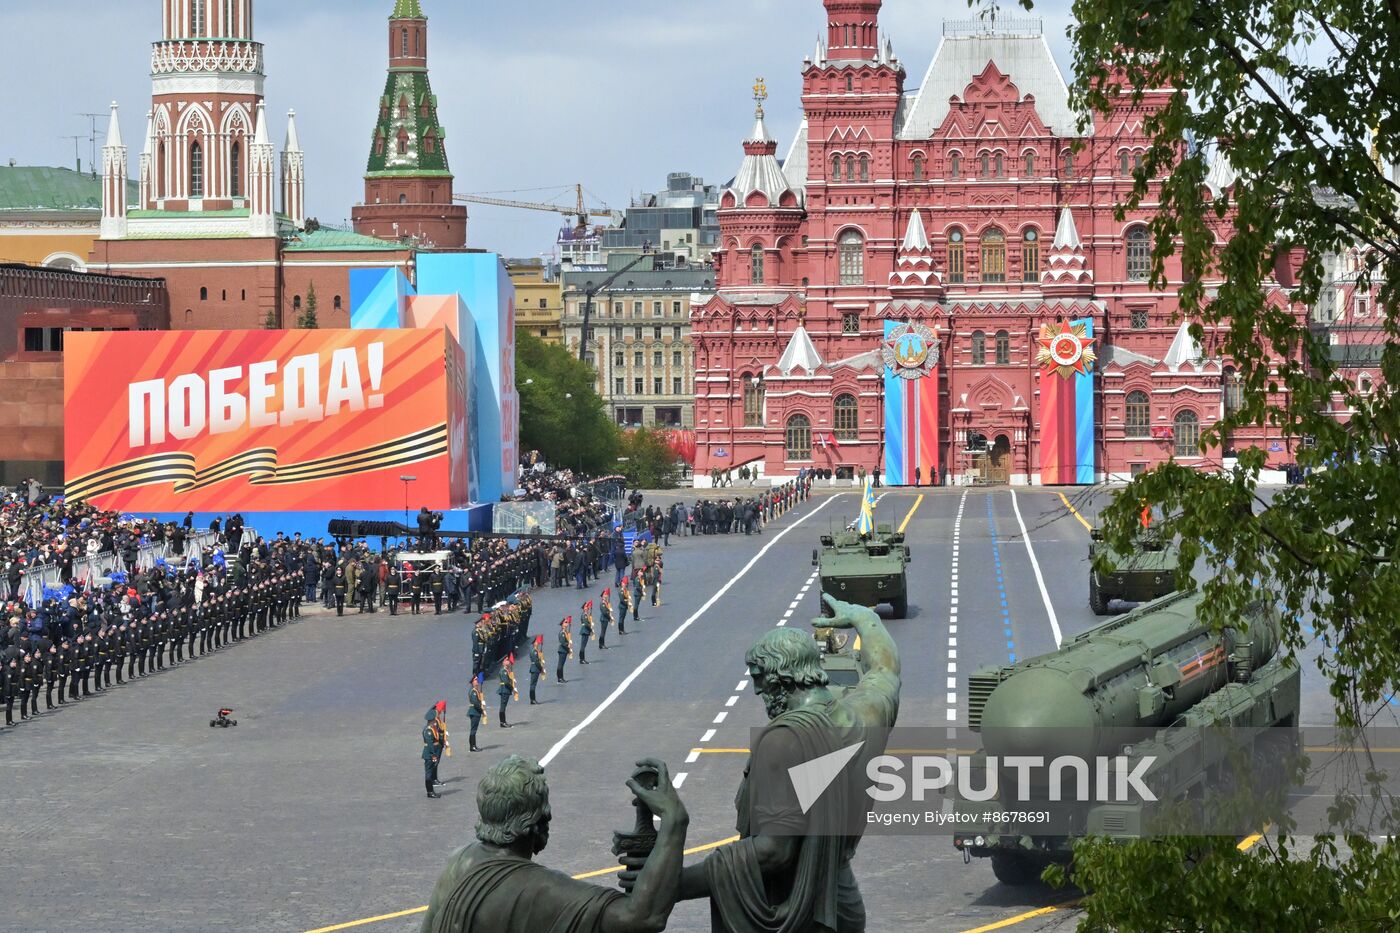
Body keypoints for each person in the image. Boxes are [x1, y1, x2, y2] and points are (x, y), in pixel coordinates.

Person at [673, 594, 901, 929]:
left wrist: (676, 884)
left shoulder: (783, 740)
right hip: (843, 904)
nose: (756, 690)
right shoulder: (865, 714)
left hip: (795, 909)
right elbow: (886, 669)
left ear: (781, 677)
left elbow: (773, 852)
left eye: (758, 677)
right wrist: (866, 619)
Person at [419, 755, 689, 933]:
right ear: (534, 823)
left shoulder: (458, 862)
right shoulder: (542, 890)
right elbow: (642, 917)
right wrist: (674, 821)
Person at [422, 702, 447, 799]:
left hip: (432, 753)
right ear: (431, 720)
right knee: (428, 774)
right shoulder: (428, 730)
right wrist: (433, 755)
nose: (434, 722)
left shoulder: (431, 728)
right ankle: (430, 792)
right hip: (429, 754)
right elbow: (430, 745)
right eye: (433, 720)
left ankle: (431, 791)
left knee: (431, 771)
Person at [497, 655, 517, 728]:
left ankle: (503, 722)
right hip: (505, 689)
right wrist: (513, 688)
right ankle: (502, 722)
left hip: (505, 689)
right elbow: (506, 682)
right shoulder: (504, 671)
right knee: (503, 706)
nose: (508, 662)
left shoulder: (506, 671)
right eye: (507, 660)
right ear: (504, 662)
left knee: (503, 706)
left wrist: (512, 680)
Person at [468, 674, 486, 752]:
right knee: (473, 730)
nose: (477, 681)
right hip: (474, 711)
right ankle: (472, 746)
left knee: (474, 729)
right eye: (475, 680)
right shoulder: (473, 692)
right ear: (472, 682)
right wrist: (482, 710)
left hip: (475, 712)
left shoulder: (476, 690)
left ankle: (473, 745)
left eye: (477, 680)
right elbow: (475, 703)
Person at [528, 635, 547, 705]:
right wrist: (541, 668)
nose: (538, 642)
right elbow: (536, 661)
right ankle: (532, 699)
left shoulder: (536, 651)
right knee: (533, 685)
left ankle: (532, 699)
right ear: (534, 643)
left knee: (533, 684)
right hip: (535, 668)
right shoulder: (534, 651)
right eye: (536, 641)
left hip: (535, 668)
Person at [556, 617, 572, 683]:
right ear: (562, 624)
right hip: (562, 650)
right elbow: (563, 642)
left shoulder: (565, 632)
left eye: (567, 622)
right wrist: (568, 645)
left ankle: (561, 677)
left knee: (562, 665)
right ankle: (559, 678)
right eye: (565, 622)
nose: (567, 623)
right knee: (560, 665)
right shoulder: (562, 633)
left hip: (564, 650)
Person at [578, 600, 594, 665]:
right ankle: (582, 659)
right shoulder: (584, 615)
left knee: (583, 645)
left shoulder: (586, 615)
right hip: (585, 631)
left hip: (586, 631)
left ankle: (581, 659)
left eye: (587, 607)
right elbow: (586, 624)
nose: (587, 608)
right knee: (583, 646)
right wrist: (591, 630)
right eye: (586, 607)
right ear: (584, 608)